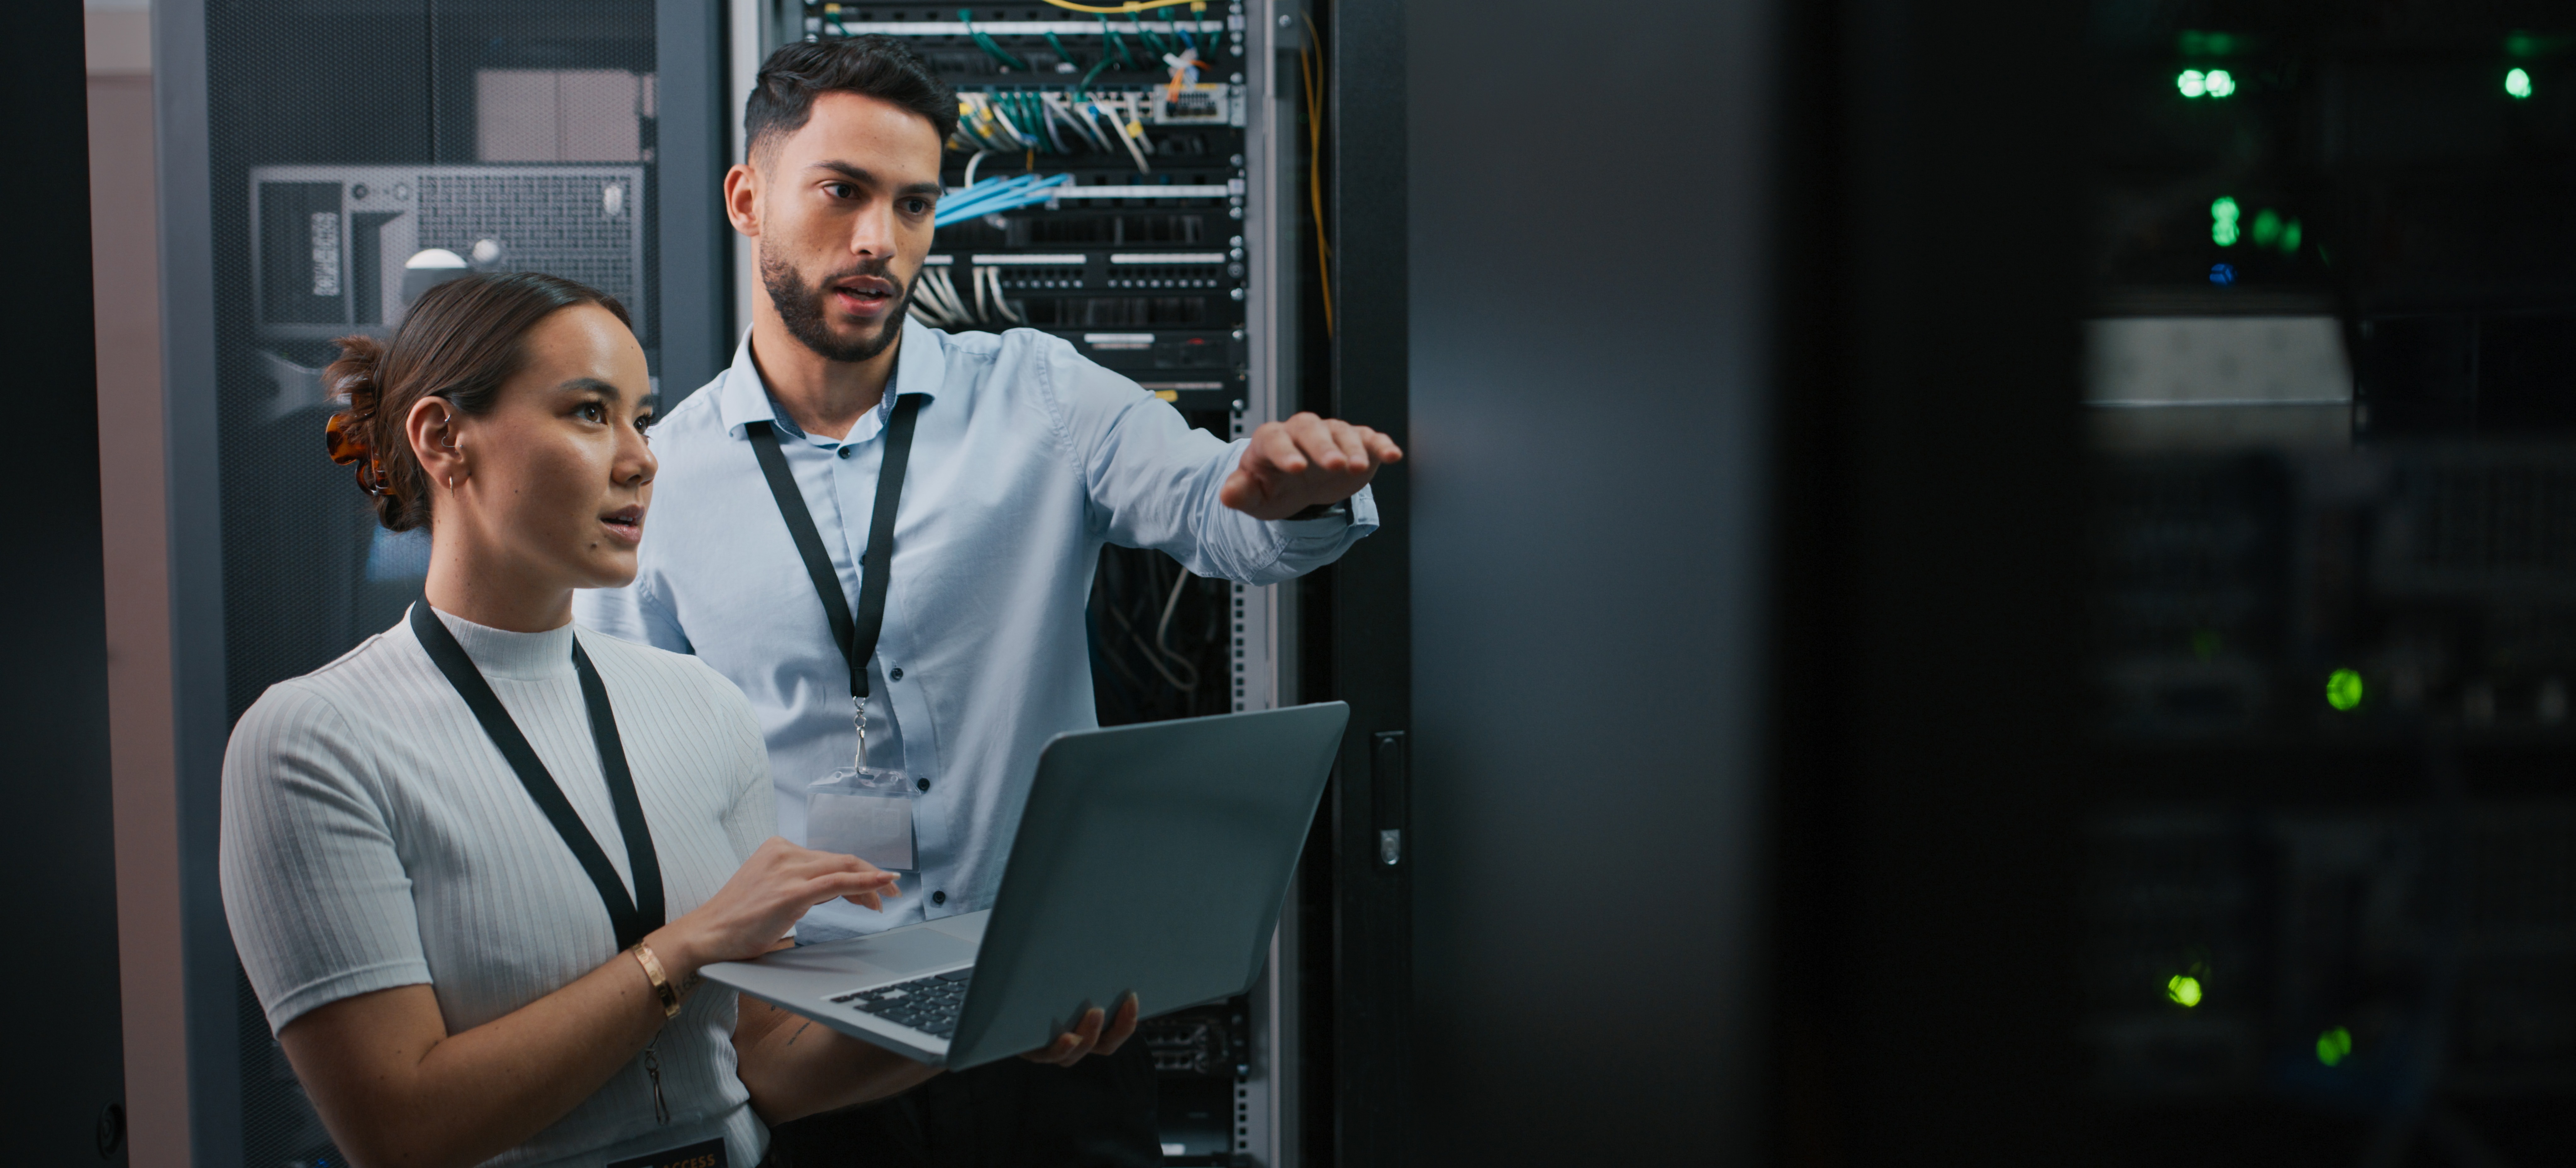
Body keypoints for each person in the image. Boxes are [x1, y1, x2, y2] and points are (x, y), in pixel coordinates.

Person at [572, 36, 1402, 1168]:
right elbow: (636, 793)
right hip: (815, 1043)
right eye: (843, 192)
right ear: (746, 197)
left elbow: (1224, 516)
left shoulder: (1040, 395)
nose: (881, 240)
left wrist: (1295, 492)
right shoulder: (658, 484)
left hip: (1055, 1020)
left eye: (914, 205)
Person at [218, 271, 1132, 1168]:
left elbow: (764, 1062)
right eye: (588, 412)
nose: (642, 457)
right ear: (443, 437)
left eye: (643, 418)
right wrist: (683, 950)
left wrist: (996, 1015)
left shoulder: (703, 705)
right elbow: (401, 1133)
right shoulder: (316, 742)